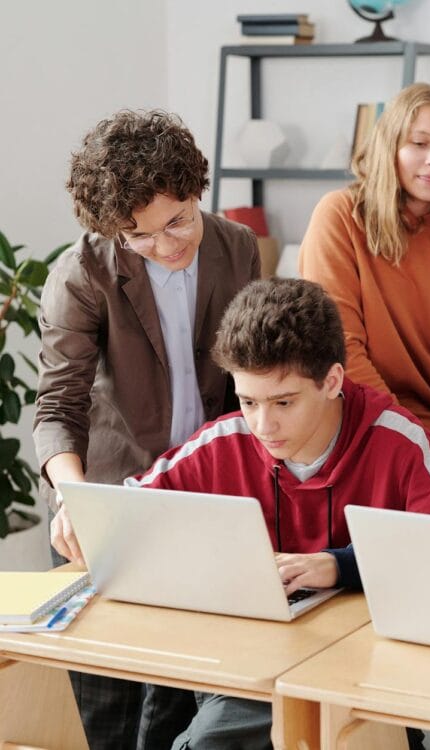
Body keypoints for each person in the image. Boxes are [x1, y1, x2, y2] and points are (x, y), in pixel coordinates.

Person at [52, 277, 430, 749]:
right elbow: (126, 512)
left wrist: (341, 565)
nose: (263, 424)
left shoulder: (399, 441)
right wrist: (81, 519)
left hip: (364, 680)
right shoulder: (224, 441)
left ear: (332, 381)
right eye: (248, 401)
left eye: (283, 402)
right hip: (246, 673)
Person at [33, 109, 261, 750]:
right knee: (104, 710)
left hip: (204, 502)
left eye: (178, 221)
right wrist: (75, 500)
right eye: (139, 236)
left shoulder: (237, 248)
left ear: (196, 190)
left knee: (182, 704)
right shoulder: (82, 273)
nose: (166, 246)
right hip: (109, 503)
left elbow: (249, 376)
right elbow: (58, 408)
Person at [299, 82, 430, 488]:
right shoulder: (340, 216)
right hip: (360, 425)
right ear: (390, 145)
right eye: (419, 143)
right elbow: (341, 346)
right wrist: (409, 438)